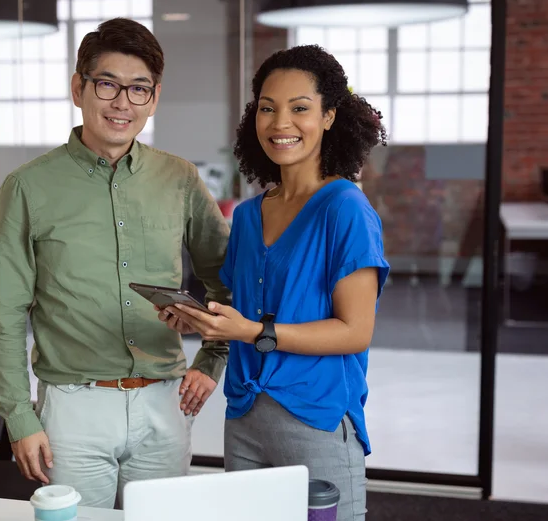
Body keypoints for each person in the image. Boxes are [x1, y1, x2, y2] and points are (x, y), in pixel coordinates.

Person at [0, 18, 231, 509]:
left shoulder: (179, 178)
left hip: (164, 401)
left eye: (139, 89)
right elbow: (5, 316)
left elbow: (226, 279)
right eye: (107, 85)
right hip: (73, 407)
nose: (122, 103)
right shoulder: (27, 187)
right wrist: (19, 417)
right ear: (79, 88)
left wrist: (212, 358)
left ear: (153, 99)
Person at [158, 45, 389, 521]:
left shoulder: (345, 208)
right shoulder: (247, 216)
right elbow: (243, 311)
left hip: (317, 417)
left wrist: (252, 332)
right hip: (245, 417)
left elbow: (355, 331)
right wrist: (200, 319)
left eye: (300, 108)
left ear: (328, 116)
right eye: (267, 108)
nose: (281, 122)